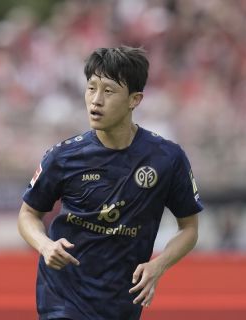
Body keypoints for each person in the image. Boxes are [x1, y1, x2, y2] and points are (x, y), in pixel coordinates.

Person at [18, 45, 203, 320]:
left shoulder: (167, 158)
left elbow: (189, 229)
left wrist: (159, 265)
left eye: (108, 91)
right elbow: (28, 214)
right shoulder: (63, 156)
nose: (96, 100)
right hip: (62, 296)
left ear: (134, 99)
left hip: (120, 301)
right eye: (91, 88)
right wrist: (45, 245)